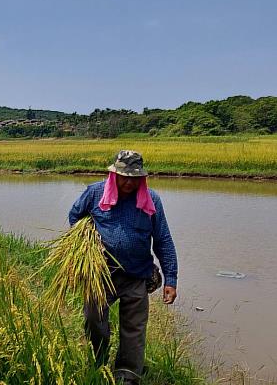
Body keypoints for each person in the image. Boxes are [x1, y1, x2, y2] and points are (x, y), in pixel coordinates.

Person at [68, 150, 178, 384]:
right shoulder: (95, 193)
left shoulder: (151, 200)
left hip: (136, 275)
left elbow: (163, 240)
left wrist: (171, 279)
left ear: (142, 177)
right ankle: (98, 363)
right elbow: (75, 218)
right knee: (93, 320)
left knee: (134, 329)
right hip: (100, 274)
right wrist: (85, 243)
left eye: (134, 177)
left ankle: (127, 375)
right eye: (124, 176)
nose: (129, 182)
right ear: (114, 174)